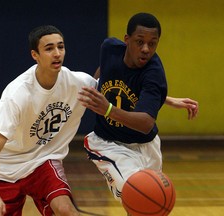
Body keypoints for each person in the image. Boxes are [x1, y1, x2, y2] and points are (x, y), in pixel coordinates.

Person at [77, 12, 198, 212]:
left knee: (150, 206)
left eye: (152, 43)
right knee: (137, 193)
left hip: (147, 145)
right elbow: (105, 71)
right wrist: (93, 85)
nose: (145, 49)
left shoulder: (154, 73)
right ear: (127, 40)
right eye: (139, 41)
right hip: (109, 143)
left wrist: (108, 108)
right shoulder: (110, 48)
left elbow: (146, 123)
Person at [0, 25, 97, 216]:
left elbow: (114, 84)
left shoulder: (78, 83)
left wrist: (159, 98)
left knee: (66, 210)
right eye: (49, 49)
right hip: (8, 167)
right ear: (35, 55)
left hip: (43, 160)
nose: (57, 53)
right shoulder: (17, 93)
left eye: (60, 47)